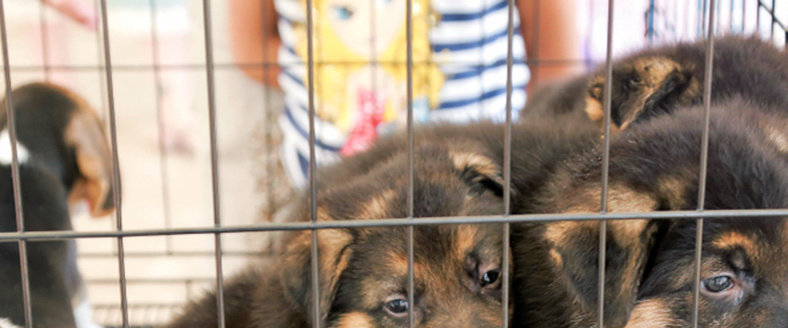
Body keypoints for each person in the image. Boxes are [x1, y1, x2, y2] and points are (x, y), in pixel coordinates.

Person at [230, 0, 581, 186]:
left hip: (482, 178)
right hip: (326, 182)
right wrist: (333, 79)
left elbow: (556, 60)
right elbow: (249, 45)